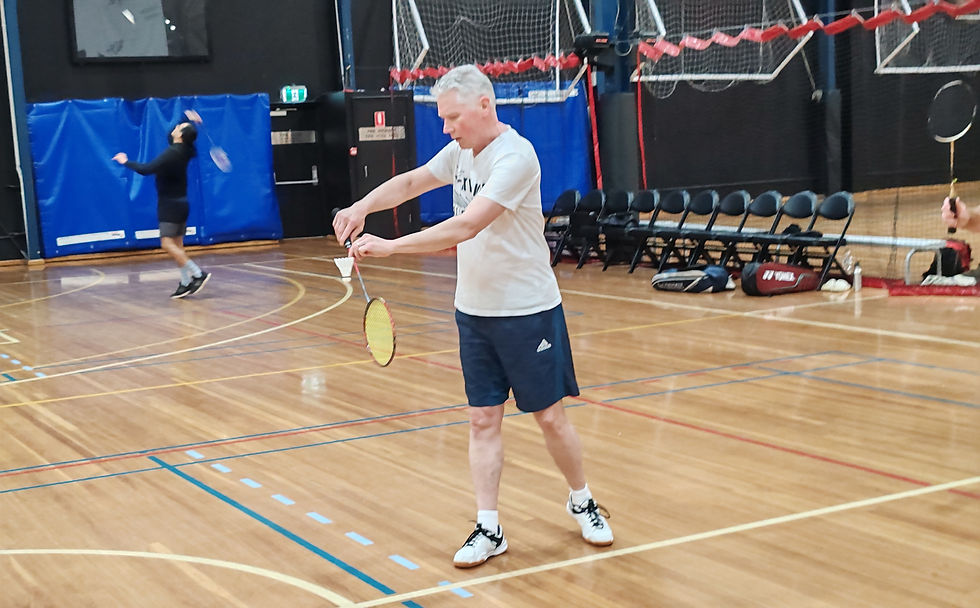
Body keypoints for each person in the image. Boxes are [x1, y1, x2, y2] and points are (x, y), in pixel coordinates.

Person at [333, 65, 613, 568]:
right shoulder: (461, 151)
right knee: (483, 419)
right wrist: (361, 206)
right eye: (442, 118)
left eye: (453, 117)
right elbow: (413, 181)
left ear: (485, 105)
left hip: (527, 310)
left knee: (550, 417)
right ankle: (489, 527)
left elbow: (466, 226)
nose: (446, 128)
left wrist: (391, 246)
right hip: (474, 311)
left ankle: (582, 498)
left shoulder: (516, 157)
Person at [113, 111, 210, 299]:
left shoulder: (172, 153)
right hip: (181, 204)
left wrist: (125, 162)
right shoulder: (186, 150)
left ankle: (198, 274)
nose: (175, 127)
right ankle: (185, 282)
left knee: (166, 244)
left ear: (180, 136)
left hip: (170, 206)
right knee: (178, 247)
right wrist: (188, 121)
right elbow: (173, 135)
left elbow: (146, 169)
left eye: (179, 127)